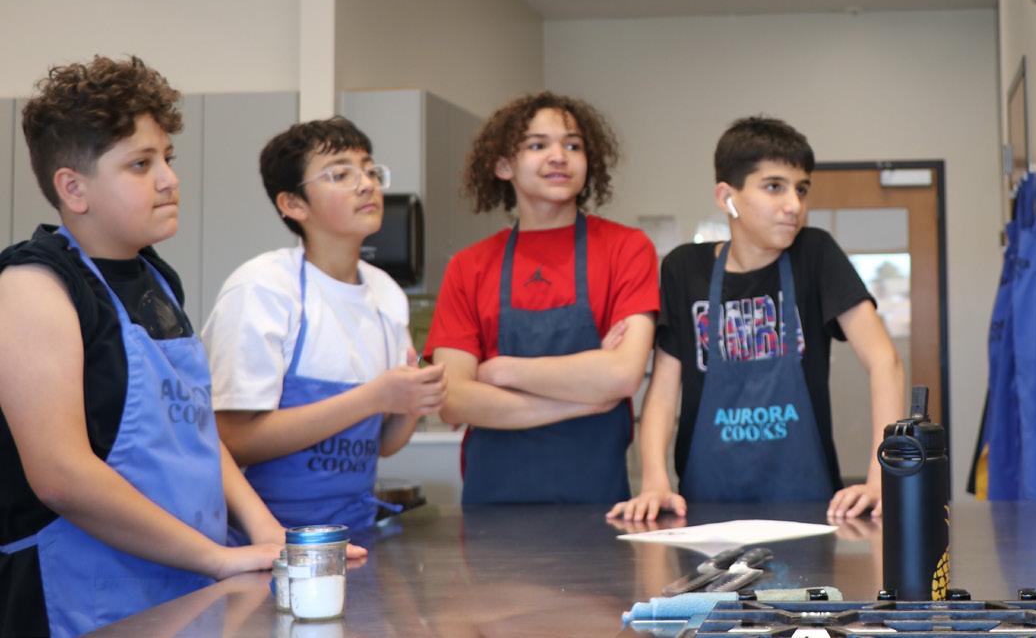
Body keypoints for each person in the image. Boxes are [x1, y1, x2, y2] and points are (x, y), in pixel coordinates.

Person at [0, 56, 285, 636]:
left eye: (167, 159)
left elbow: (193, 431)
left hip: (184, 584)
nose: (168, 179)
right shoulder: (32, 287)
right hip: (81, 598)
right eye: (140, 164)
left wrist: (266, 531)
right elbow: (59, 475)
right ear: (73, 188)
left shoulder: (157, 280)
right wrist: (214, 557)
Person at [608, 116, 905, 521]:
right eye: (774, 187)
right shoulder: (685, 268)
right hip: (704, 512)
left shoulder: (814, 254)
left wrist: (881, 477)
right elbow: (662, 390)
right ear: (726, 197)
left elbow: (885, 361)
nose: (794, 205)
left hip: (808, 510)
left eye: (801, 189)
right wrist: (655, 482)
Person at [202, 117, 446, 531]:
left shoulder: (385, 293)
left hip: (355, 533)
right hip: (263, 539)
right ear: (293, 204)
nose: (366, 185)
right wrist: (373, 397)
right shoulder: (264, 287)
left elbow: (383, 445)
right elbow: (234, 440)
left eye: (370, 171)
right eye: (340, 174)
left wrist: (414, 401)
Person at [427, 92, 658, 504]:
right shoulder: (469, 266)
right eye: (537, 145)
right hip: (492, 507)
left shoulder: (626, 249)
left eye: (573, 145)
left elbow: (622, 375)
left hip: (600, 504)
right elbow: (453, 401)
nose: (559, 157)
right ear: (503, 166)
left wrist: (501, 370)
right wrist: (584, 399)